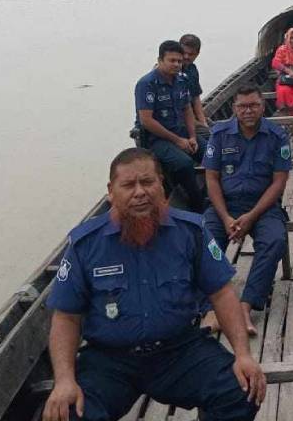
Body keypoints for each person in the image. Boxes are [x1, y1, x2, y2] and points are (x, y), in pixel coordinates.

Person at [42, 148, 264, 421]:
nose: (139, 192)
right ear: (111, 190)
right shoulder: (85, 245)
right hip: (110, 361)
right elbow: (66, 317)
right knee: (70, 413)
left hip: (179, 351)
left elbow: (222, 293)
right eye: (128, 185)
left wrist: (243, 355)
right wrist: (64, 380)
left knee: (241, 391)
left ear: (162, 185)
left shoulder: (190, 232)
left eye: (148, 182)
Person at [201, 86, 292, 336]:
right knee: (204, 241)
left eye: (253, 105)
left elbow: (279, 182)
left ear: (263, 106)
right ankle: (212, 307)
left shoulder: (277, 135)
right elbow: (211, 179)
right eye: (242, 106)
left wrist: (251, 217)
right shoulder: (219, 134)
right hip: (224, 206)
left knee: (274, 240)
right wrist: (225, 217)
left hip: (262, 206)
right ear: (234, 108)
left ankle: (245, 305)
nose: (248, 111)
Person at [134, 41, 205, 213]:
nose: (176, 65)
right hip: (155, 138)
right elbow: (147, 121)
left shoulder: (182, 80)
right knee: (184, 164)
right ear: (160, 60)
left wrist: (192, 136)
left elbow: (187, 109)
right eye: (171, 60)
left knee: (212, 152)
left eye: (179, 62)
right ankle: (198, 204)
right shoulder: (147, 84)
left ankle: (217, 192)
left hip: (180, 131)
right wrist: (178, 141)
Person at [179, 33, 209, 160]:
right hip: (181, 120)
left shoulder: (192, 69)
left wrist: (203, 122)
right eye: (183, 52)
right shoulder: (171, 71)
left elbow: (195, 98)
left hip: (192, 118)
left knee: (220, 132)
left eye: (190, 54)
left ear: (197, 54)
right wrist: (198, 124)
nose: (186, 57)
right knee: (213, 141)